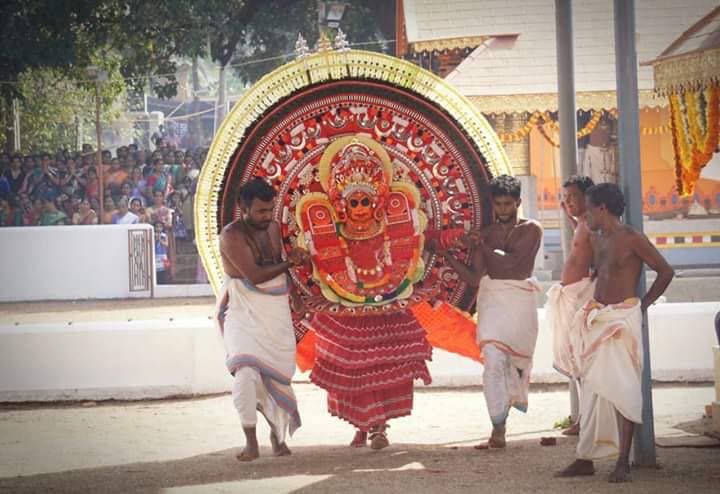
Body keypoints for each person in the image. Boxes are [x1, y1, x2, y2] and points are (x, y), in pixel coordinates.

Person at [556, 183, 674, 482]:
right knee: (594, 390)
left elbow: (665, 271)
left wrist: (642, 306)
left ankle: (623, 462)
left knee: (623, 390)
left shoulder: (631, 238)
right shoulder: (597, 238)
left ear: (602, 209)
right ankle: (586, 459)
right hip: (598, 317)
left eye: (589, 210)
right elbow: (599, 270)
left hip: (622, 318)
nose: (586, 217)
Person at [433, 175, 542, 448]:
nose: (503, 209)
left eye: (508, 204)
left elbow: (513, 266)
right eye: (498, 204)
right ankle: (498, 428)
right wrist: (445, 255)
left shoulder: (532, 229)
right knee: (493, 361)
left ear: (518, 202)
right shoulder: (487, 234)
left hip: (520, 304)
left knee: (516, 367)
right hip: (492, 302)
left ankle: (503, 418)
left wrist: (480, 245)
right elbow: (473, 277)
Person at [217, 177, 307, 461]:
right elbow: (254, 275)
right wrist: (291, 262)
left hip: (276, 310)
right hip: (243, 311)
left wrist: (295, 295)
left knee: (276, 377)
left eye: (270, 210)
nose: (267, 216)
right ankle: (250, 440)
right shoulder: (231, 236)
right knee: (245, 373)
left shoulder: (273, 228)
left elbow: (277, 264)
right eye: (261, 211)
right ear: (243, 209)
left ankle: (276, 436)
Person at [545, 175, 596, 435]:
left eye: (573, 196)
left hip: (583, 295)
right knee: (575, 359)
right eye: (566, 197)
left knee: (582, 358)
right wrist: (568, 214)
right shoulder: (582, 223)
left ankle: (586, 421)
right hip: (572, 295)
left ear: (588, 197)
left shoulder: (593, 225)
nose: (569, 202)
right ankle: (583, 419)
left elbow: (599, 254)